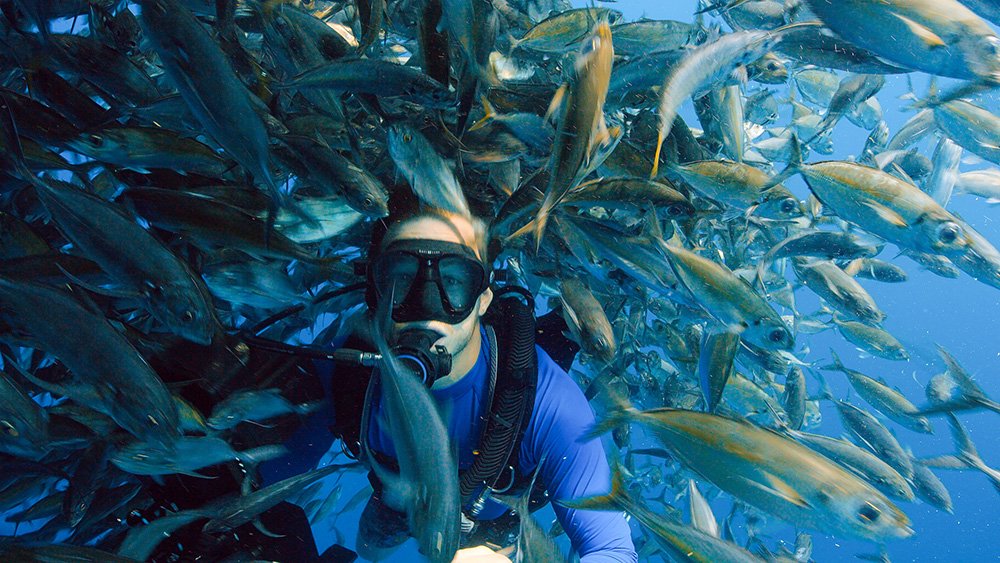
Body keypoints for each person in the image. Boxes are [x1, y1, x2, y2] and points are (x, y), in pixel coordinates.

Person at [264, 197, 637, 562]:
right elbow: (262, 479)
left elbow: (614, 551)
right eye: (402, 278)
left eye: (454, 281)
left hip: (490, 517)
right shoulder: (344, 372)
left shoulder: (552, 405)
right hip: (397, 503)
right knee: (368, 549)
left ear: (483, 298)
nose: (426, 306)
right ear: (375, 293)